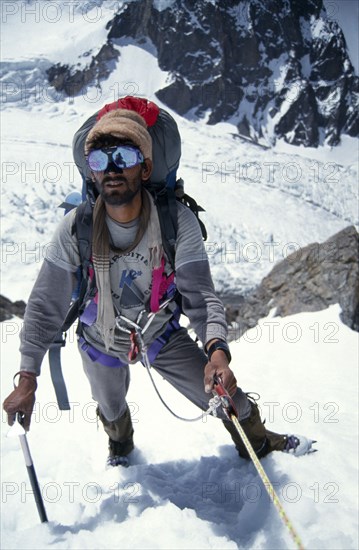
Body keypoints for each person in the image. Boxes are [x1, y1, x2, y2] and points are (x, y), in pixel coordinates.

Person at [3, 108, 314, 466]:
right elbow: (45, 305)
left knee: (229, 399)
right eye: (101, 158)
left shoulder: (175, 222)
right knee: (111, 408)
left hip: (159, 334)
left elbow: (201, 298)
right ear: (91, 170)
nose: (113, 168)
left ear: (146, 167)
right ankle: (120, 448)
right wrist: (27, 377)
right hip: (99, 339)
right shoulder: (77, 228)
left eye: (125, 156)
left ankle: (259, 444)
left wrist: (217, 355)